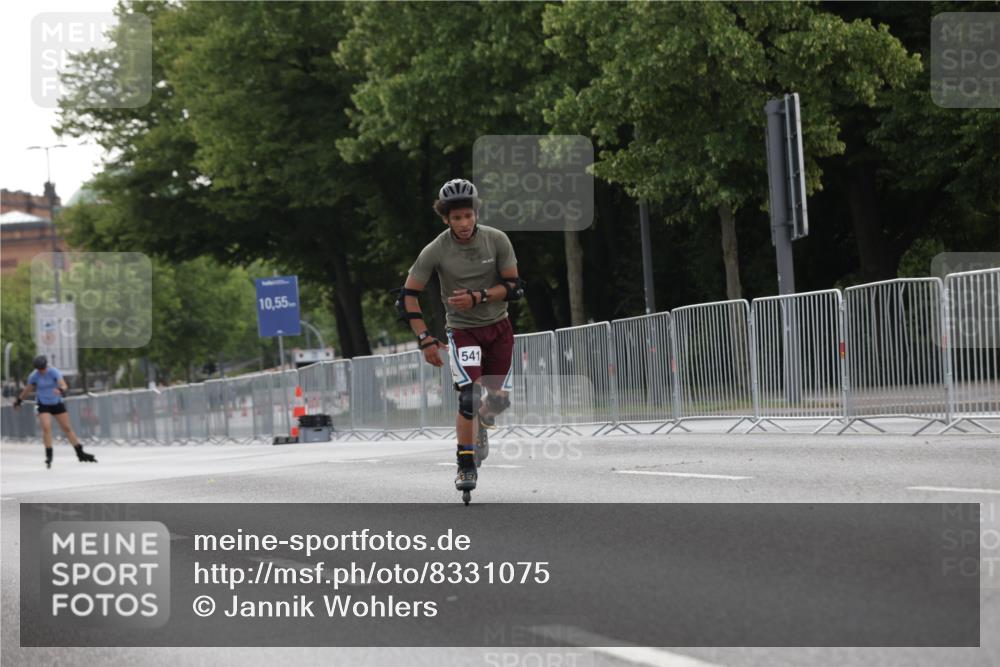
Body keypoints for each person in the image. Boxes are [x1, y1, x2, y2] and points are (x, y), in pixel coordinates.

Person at [395, 178, 525, 493]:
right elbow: (407, 296)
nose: (464, 224)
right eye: (456, 218)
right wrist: (425, 338)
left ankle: (482, 420)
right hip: (463, 332)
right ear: (445, 219)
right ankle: (465, 464)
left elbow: (515, 288)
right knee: (467, 397)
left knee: (498, 401)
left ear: (476, 213)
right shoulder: (436, 250)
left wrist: (479, 297)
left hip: (498, 328)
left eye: (468, 216)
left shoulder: (497, 240)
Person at [13, 355, 97, 468]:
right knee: (46, 427)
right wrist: (18, 401)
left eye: (43, 368)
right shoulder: (34, 376)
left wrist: (60, 389)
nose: (42, 371)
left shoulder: (53, 372)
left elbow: (64, 384)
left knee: (67, 428)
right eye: (39, 369)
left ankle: (80, 452)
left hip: (56, 403)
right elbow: (27, 390)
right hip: (43, 404)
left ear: (46, 366)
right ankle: (49, 455)